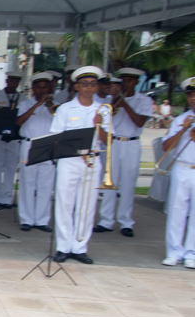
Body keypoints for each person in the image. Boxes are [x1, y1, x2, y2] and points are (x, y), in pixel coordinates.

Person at [50, 66, 107, 264]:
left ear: (97, 86)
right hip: (70, 160)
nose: (89, 88)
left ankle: (80, 246)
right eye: (84, 84)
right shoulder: (65, 109)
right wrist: (77, 150)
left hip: (92, 161)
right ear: (76, 86)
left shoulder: (103, 109)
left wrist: (99, 125)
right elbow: (56, 138)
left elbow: (108, 141)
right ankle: (63, 247)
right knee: (64, 204)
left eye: (92, 84)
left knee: (87, 206)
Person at [94, 67, 152, 237]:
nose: (126, 84)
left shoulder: (144, 100)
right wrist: (113, 101)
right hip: (113, 142)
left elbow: (139, 122)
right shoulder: (110, 101)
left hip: (131, 143)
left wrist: (124, 103)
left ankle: (125, 222)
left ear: (136, 82)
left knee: (128, 184)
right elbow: (103, 120)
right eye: (123, 80)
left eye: (129, 81)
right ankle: (106, 221)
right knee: (109, 183)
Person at [15, 72, 57, 233]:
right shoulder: (25, 104)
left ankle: (42, 220)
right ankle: (26, 219)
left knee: (46, 184)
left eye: (45, 87)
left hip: (49, 145)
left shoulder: (55, 106)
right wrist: (36, 105)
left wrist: (50, 107)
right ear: (33, 88)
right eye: (39, 87)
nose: (42, 90)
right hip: (29, 144)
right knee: (28, 183)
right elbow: (19, 121)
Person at [161, 77, 195, 268]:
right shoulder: (181, 120)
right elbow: (166, 146)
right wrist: (183, 131)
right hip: (182, 168)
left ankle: (192, 253)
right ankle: (174, 251)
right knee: (176, 211)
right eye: (190, 95)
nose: (193, 98)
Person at [0, 73, 23, 209]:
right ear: (7, 81)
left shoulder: (22, 98)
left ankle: (7, 198)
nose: (14, 84)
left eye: (16, 81)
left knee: (11, 167)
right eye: (12, 81)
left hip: (14, 136)